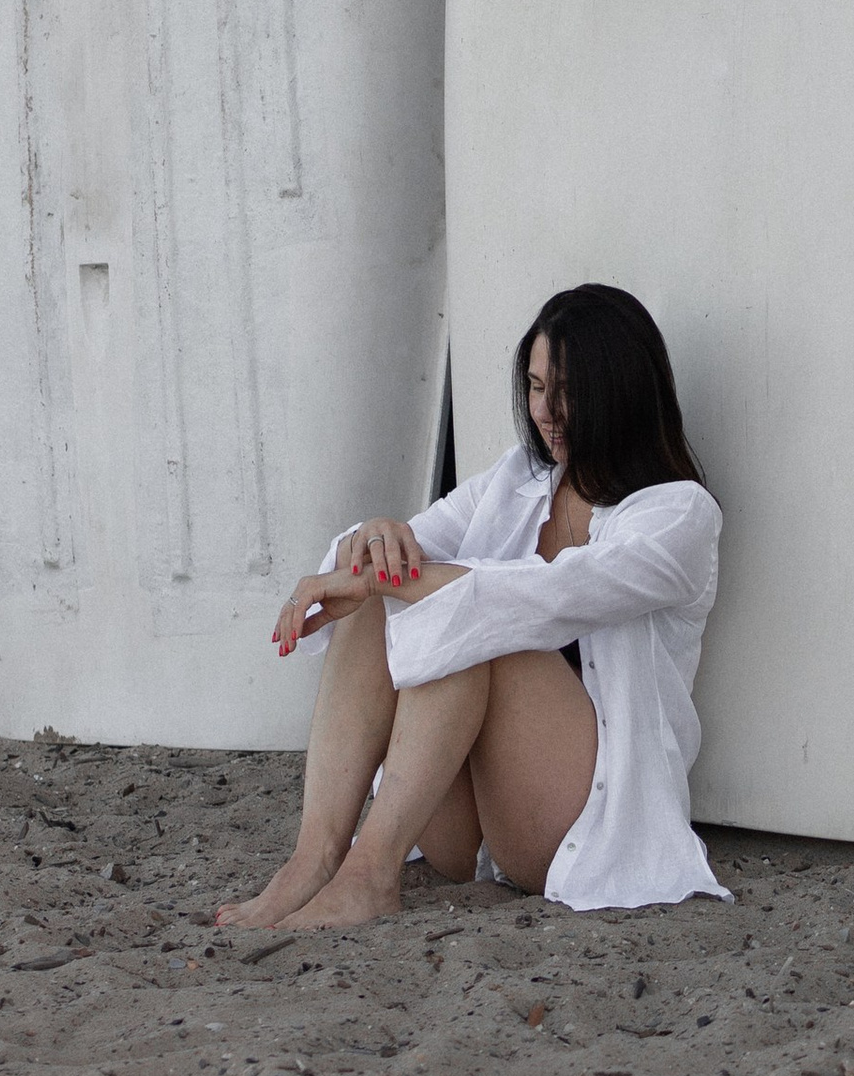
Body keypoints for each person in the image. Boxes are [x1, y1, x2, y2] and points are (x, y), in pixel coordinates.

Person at [218, 283, 727, 928]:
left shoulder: (678, 514)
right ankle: (314, 860)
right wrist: (371, 541)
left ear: (621, 392)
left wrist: (386, 580)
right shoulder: (519, 480)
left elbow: (548, 595)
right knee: (385, 595)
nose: (547, 412)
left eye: (568, 391)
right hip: (468, 828)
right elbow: (400, 556)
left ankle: (369, 877)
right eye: (536, 387)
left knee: (478, 623)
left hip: (579, 824)